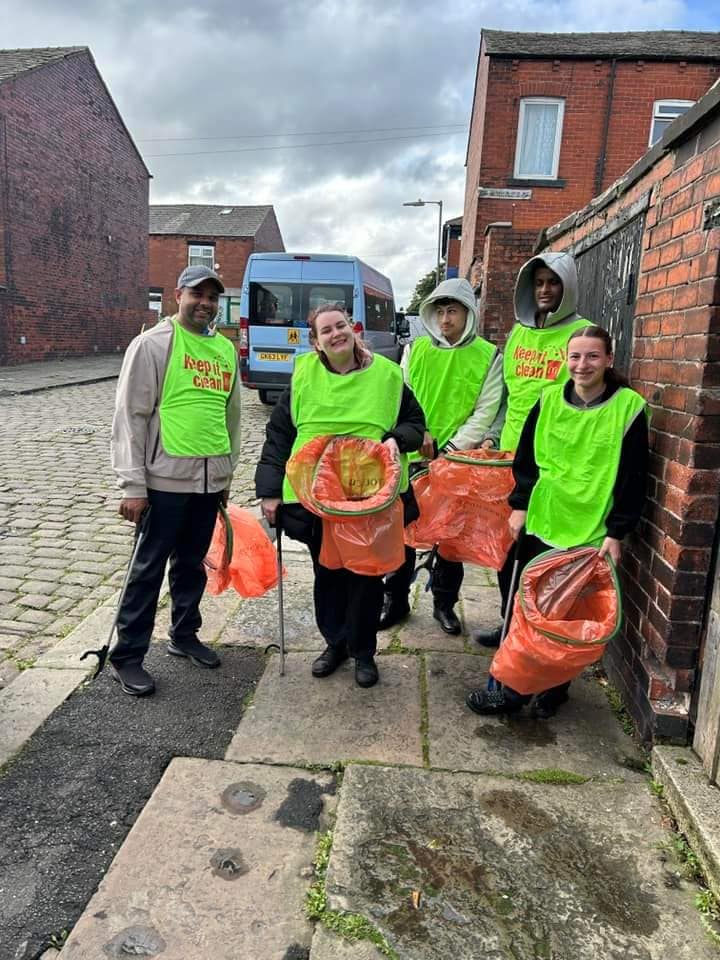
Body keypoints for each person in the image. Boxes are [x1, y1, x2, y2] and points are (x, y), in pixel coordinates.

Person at [466, 325, 649, 717]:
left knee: (564, 615)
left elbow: (634, 476)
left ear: (609, 360)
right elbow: (526, 459)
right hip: (543, 520)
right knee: (525, 607)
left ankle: (554, 687)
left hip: (589, 529)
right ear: (566, 360)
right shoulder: (548, 399)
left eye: (592, 356)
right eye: (576, 356)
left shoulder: (628, 407)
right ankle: (511, 690)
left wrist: (618, 531)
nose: (583, 365)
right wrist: (519, 505)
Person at [256, 302, 425, 688]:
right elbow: (279, 436)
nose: (336, 334)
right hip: (313, 497)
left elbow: (416, 423)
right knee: (327, 573)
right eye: (326, 331)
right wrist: (269, 491)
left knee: (365, 578)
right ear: (316, 342)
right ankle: (336, 643)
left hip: (370, 498)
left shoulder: (387, 374)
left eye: (341, 326)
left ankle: (364, 651)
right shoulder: (303, 376)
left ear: (354, 328)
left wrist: (398, 440)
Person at [109, 265, 241, 696]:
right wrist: (132, 485)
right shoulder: (152, 345)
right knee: (146, 571)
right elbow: (131, 416)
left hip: (208, 482)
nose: (204, 303)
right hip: (163, 481)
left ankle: (184, 636)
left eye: (212, 297)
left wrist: (226, 473)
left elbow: (231, 417)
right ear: (178, 294)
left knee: (192, 566)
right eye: (196, 294)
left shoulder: (224, 350)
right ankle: (127, 655)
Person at [471, 251, 592, 649]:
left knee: (543, 557)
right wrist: (492, 435)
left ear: (567, 287)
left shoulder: (584, 334)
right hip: (510, 457)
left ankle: (536, 636)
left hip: (554, 465)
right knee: (509, 550)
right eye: (538, 283)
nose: (544, 290)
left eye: (553, 282)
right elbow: (506, 394)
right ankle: (509, 626)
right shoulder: (519, 332)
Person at [379, 277, 504, 635]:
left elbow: (486, 408)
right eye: (441, 310)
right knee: (403, 532)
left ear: (468, 313)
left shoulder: (487, 355)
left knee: (451, 538)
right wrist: (419, 435)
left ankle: (444, 603)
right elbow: (402, 395)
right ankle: (396, 599)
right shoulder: (415, 350)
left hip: (458, 462)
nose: (446, 318)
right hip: (415, 455)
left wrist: (452, 449)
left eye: (453, 310)